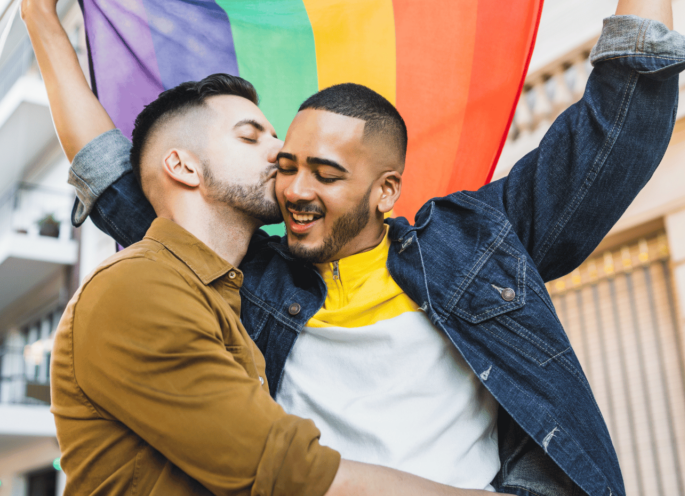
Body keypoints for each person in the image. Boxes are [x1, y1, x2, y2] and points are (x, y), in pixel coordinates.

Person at [20, 0, 685, 494]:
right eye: (285, 164)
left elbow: (616, 127)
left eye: (323, 173)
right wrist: (44, 22)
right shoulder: (240, 279)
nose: (294, 189)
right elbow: (115, 174)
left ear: (385, 190)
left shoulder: (474, 241)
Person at [49, 73, 497, 496]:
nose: (281, 151)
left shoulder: (225, 295)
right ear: (183, 166)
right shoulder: (137, 287)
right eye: (250, 136)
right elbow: (283, 471)